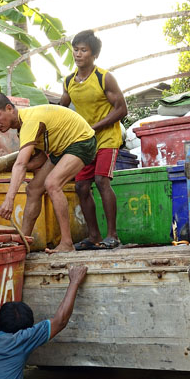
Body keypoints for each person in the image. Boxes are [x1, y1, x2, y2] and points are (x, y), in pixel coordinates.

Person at [0, 92, 97, 254]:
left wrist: (9, 199)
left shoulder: (30, 121)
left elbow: (21, 164)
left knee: (52, 183)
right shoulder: (22, 128)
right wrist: (18, 166)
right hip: (60, 150)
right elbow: (41, 158)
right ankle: (24, 242)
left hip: (82, 141)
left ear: (9, 108)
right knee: (33, 189)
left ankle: (66, 243)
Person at [60, 30, 128, 251]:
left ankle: (113, 235)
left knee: (101, 181)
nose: (78, 54)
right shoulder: (69, 81)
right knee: (80, 186)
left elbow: (122, 109)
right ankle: (94, 236)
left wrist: (95, 127)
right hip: (85, 141)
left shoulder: (104, 77)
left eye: (84, 50)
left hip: (107, 137)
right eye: (76, 49)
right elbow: (61, 109)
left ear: (94, 54)